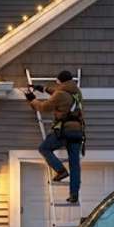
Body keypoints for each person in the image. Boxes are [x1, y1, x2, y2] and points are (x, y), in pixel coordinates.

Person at [24, 70, 85, 204]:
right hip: (77, 132)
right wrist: (43, 89)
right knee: (75, 164)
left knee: (44, 148)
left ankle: (60, 170)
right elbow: (60, 94)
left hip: (64, 131)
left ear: (61, 81)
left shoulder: (60, 94)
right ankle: (74, 194)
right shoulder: (76, 92)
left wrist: (32, 99)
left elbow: (44, 107)